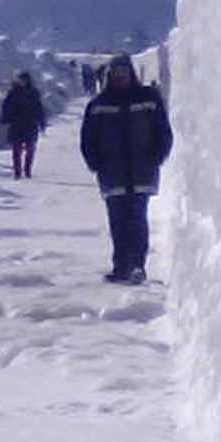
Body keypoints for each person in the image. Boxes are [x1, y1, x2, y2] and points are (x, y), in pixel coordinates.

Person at [79, 53, 173, 284]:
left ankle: (137, 265)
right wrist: (95, 162)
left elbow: (163, 131)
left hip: (142, 171)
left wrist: (156, 157)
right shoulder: (99, 105)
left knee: (137, 218)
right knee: (118, 220)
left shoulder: (148, 98)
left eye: (124, 74)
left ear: (131, 74)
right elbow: (87, 138)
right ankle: (121, 265)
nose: (121, 78)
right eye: (117, 75)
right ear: (110, 76)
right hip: (112, 174)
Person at [0, 70, 47, 179]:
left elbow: (39, 108)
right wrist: (4, 119)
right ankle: (17, 171)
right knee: (16, 149)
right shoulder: (12, 93)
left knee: (30, 148)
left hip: (30, 124)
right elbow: (6, 107)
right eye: (20, 79)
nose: (21, 82)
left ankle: (27, 169)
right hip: (16, 125)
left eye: (23, 80)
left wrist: (42, 122)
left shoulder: (33, 93)